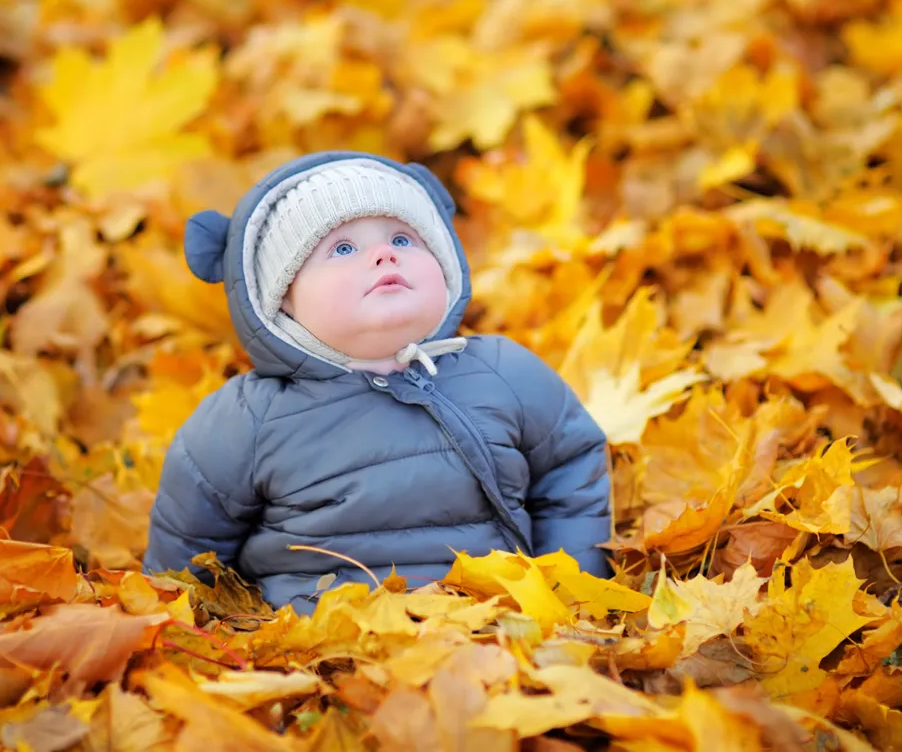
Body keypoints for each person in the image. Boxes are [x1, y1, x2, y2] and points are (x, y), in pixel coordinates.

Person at [142, 151, 614, 614]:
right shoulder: (248, 419)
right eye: (342, 249)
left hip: (497, 626)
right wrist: (194, 625)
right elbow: (190, 546)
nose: (385, 254)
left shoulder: (502, 372)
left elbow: (569, 465)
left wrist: (574, 582)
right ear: (281, 302)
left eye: (405, 239)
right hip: (327, 647)